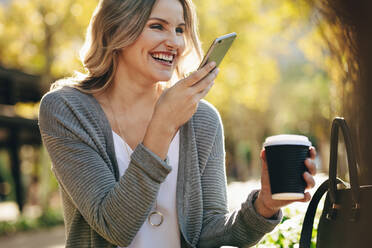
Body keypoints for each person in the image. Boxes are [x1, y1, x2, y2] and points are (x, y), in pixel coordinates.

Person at [38, 0, 317, 247]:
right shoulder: (66, 110)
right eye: (158, 26)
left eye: (180, 29)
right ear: (115, 30)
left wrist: (263, 206)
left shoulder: (203, 119)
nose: (175, 42)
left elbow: (208, 233)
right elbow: (115, 227)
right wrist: (163, 123)